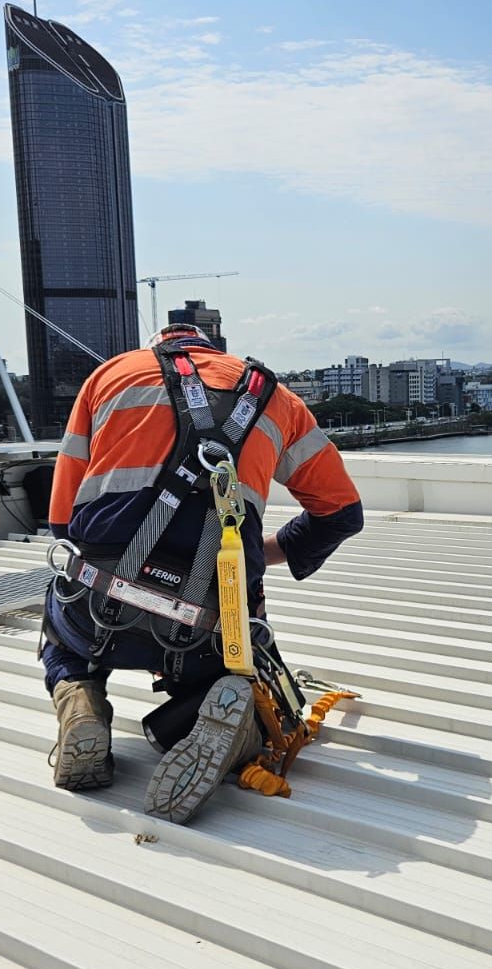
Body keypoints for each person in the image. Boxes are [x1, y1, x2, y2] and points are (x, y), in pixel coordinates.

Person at [40, 322, 363, 824]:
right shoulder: (279, 402)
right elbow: (342, 513)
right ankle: (221, 722)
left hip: (97, 617)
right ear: (215, 352)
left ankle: (80, 700)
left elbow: (63, 521)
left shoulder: (109, 377)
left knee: (60, 634)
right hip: (206, 632)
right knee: (232, 674)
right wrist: (265, 552)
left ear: (158, 347)